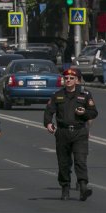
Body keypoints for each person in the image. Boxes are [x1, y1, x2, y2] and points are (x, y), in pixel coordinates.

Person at [43, 68, 98, 201]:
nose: (68, 80)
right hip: (62, 132)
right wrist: (48, 123)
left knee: (80, 160)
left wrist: (83, 113)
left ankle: (83, 186)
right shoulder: (58, 95)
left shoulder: (85, 94)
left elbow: (93, 113)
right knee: (64, 162)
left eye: (71, 78)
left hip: (79, 132)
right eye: (66, 78)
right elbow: (49, 111)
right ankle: (65, 187)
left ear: (77, 80)